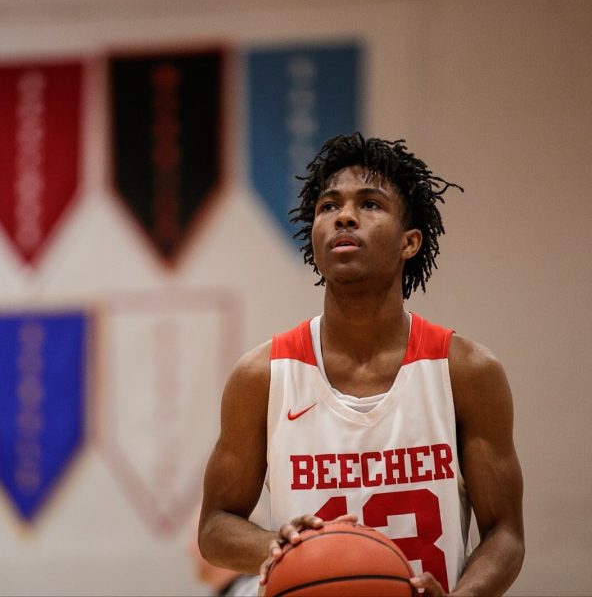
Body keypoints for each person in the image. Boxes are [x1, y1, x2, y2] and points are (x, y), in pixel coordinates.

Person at [198, 133, 524, 596]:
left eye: (370, 204)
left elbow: (505, 533)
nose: (344, 215)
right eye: (328, 206)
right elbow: (214, 527)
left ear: (409, 242)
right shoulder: (263, 376)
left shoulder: (466, 371)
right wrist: (278, 546)